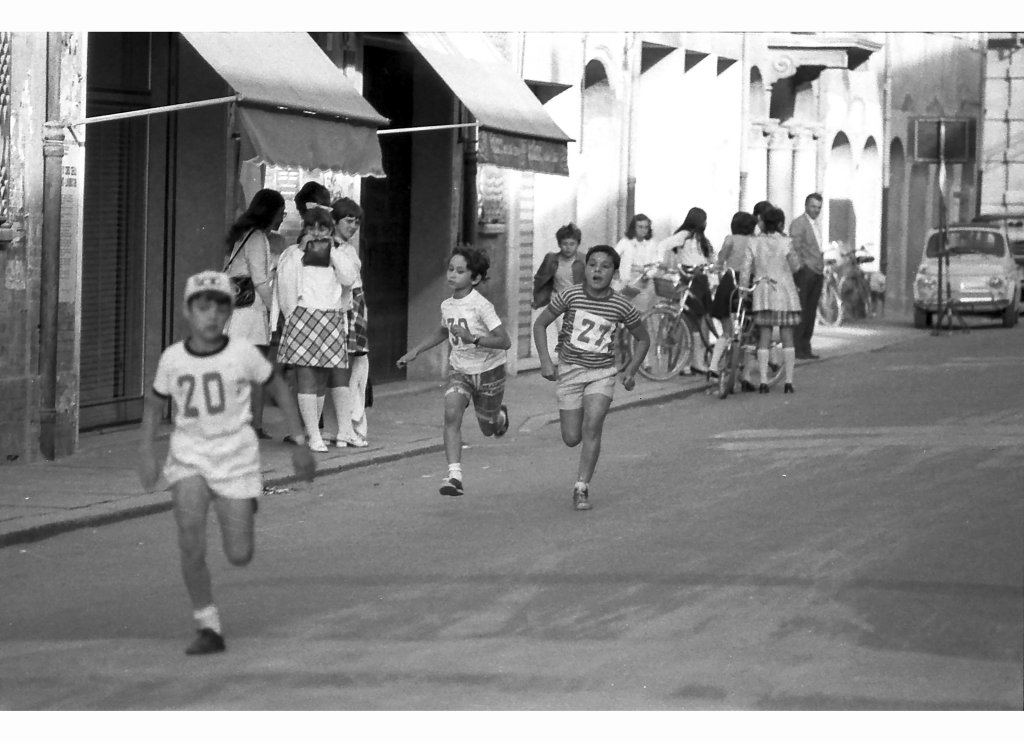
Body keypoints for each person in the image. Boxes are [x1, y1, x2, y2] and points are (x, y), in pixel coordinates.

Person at [137, 271, 315, 655]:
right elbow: (154, 402)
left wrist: (300, 441)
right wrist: (146, 451)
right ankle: (207, 624)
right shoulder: (173, 358)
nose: (212, 315)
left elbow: (278, 386)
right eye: (204, 306)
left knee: (239, 554)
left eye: (221, 306)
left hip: (235, 457)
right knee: (190, 538)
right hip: (189, 456)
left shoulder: (243, 353)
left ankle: (243, 504)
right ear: (189, 311)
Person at [532, 244, 651, 512]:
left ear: (614, 273)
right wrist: (544, 361)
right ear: (584, 269)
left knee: (593, 426)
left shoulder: (621, 304)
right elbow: (540, 323)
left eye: (605, 266)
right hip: (570, 372)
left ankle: (581, 487)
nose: (597, 270)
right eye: (593, 264)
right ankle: (581, 415)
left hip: (602, 373)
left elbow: (643, 338)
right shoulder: (570, 296)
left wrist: (630, 370)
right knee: (572, 437)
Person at [397, 246, 511, 497]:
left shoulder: (482, 306)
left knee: (488, 429)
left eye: (460, 271)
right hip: (460, 370)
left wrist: (473, 339)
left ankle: (499, 418)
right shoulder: (447, 305)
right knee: (451, 414)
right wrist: (416, 351)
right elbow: (443, 330)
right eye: (450, 269)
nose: (452, 275)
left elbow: (505, 341)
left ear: (475, 278)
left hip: (489, 371)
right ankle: (454, 475)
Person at [274, 203, 359, 452]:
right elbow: (285, 282)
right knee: (306, 378)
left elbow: (348, 278)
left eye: (323, 228)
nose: (318, 233)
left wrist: (330, 252)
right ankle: (313, 435)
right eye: (312, 227)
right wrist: (302, 250)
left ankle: (316, 432)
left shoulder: (339, 252)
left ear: (331, 230)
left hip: (330, 317)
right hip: (302, 317)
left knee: (321, 379)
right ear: (305, 229)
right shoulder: (293, 253)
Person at [223, 189, 285, 439]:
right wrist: (276, 311)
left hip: (236, 311)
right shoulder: (258, 237)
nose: (282, 218)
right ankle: (253, 426)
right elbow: (260, 281)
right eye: (281, 213)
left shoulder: (240, 235)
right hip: (251, 311)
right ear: (270, 213)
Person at [321, 197, 370, 448]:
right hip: (341, 309)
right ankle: (346, 427)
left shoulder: (347, 248)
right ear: (334, 221)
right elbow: (346, 280)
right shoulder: (331, 248)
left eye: (357, 221)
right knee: (347, 372)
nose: (353, 226)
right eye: (348, 220)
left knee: (353, 370)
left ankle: (340, 427)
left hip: (355, 308)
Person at [739, 206, 801, 394]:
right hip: (785, 294)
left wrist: (743, 289)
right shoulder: (786, 242)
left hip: (762, 292)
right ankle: (789, 381)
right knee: (787, 336)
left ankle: (764, 381)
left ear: (763, 222)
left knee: (763, 337)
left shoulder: (753, 242)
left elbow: (745, 268)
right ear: (781, 223)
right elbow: (796, 266)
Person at [657, 207, 715, 375]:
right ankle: (693, 362)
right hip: (691, 280)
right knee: (692, 322)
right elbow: (663, 245)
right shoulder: (684, 236)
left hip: (700, 280)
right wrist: (660, 261)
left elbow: (711, 258)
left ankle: (692, 362)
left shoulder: (700, 239)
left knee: (697, 321)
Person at [708, 211, 757, 390]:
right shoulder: (755, 241)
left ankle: (713, 367)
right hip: (748, 282)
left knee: (727, 329)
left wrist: (715, 267)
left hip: (730, 282)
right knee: (749, 330)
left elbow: (720, 260)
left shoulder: (730, 239)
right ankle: (746, 375)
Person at [790, 192, 825, 360]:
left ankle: (806, 346)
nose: (816, 210)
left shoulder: (815, 225)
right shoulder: (799, 223)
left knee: (811, 311)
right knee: (802, 309)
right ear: (806, 206)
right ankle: (798, 347)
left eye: (818, 207)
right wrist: (801, 267)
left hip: (817, 271)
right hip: (806, 272)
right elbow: (795, 247)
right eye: (813, 206)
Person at [613, 213, 659, 313]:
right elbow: (613, 256)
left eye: (646, 227)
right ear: (634, 227)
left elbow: (655, 264)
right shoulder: (625, 242)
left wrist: (648, 274)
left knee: (640, 314)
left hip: (643, 283)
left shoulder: (652, 244)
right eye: (640, 227)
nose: (643, 230)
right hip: (626, 282)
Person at [532, 222, 585, 309]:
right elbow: (539, 279)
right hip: (556, 301)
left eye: (572, 244)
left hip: (577, 304)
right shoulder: (551, 259)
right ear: (559, 244)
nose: (568, 247)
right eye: (565, 244)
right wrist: (539, 298)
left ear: (578, 244)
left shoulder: (584, 261)